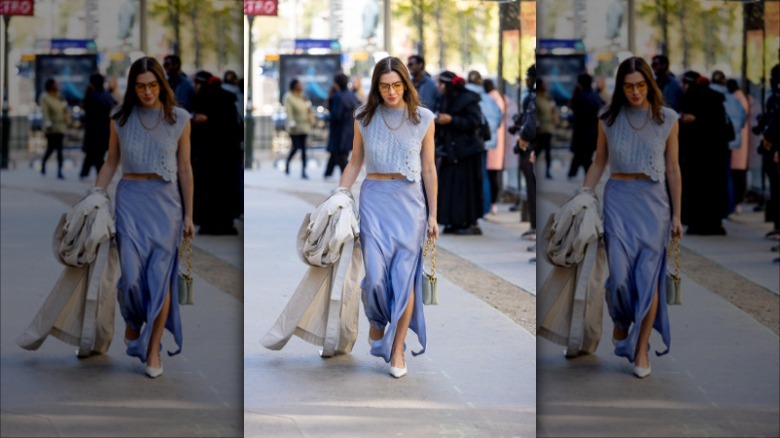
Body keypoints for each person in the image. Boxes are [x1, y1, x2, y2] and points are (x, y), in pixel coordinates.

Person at [338, 56, 438, 378]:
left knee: (405, 278)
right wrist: (340, 195)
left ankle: (397, 351)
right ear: (376, 88)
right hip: (374, 200)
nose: (391, 92)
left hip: (410, 205)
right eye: (384, 86)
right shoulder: (363, 116)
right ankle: (377, 320)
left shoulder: (424, 118)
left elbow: (428, 168)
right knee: (377, 276)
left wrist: (434, 215)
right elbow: (355, 161)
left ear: (406, 85)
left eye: (397, 85)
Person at [94, 56, 194, 378]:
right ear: (132, 88)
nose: (147, 92)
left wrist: (189, 215)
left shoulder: (179, 118)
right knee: (132, 276)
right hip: (130, 201)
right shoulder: (119, 117)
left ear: (162, 85)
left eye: (153, 85)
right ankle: (133, 319)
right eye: (140, 87)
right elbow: (111, 161)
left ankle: (153, 351)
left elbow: (184, 169)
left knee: (160, 278)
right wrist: (95, 196)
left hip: (167, 205)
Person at [582, 56, 681, 378]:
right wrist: (584, 196)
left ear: (650, 85)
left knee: (648, 279)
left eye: (640, 85)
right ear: (620, 87)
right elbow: (599, 161)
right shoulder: (607, 117)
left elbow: (672, 168)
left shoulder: (668, 118)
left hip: (655, 205)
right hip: (618, 200)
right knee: (620, 276)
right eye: (628, 87)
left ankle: (641, 350)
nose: (635, 92)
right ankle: (621, 319)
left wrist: (678, 215)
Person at [679, 71, 731, 235]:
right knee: (714, 189)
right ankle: (714, 223)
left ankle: (697, 223)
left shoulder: (691, 99)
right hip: (716, 155)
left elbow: (691, 125)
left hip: (696, 156)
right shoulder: (715, 99)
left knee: (696, 190)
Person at [190, 71, 242, 235]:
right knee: (226, 188)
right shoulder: (227, 97)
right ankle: (226, 223)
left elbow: (202, 124)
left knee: (208, 190)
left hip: (208, 154)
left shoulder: (204, 98)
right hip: (228, 154)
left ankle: (210, 223)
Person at [435, 71, 486, 235]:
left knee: (466, 190)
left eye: (441, 83)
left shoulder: (468, 99)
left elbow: (474, 121)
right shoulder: (445, 99)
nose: (438, 87)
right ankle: (452, 221)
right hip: (451, 151)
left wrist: (452, 120)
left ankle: (467, 222)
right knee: (450, 189)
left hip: (467, 152)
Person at [465, 70, 503, 215]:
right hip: (486, 142)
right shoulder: (489, 98)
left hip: (471, 142)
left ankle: (474, 208)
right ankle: (485, 207)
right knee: (484, 175)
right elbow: (498, 119)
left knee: (471, 175)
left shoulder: (467, 96)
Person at [80, 73, 116, 179]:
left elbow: (88, 113)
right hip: (104, 131)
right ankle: (88, 174)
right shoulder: (106, 95)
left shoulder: (92, 96)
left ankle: (96, 175)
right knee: (96, 154)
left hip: (94, 132)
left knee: (95, 155)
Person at [516, 65, 537, 241]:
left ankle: (536, 228)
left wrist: (523, 135)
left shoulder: (534, 96)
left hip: (531, 149)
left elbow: (531, 126)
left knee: (534, 189)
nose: (526, 80)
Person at [324, 73, 361, 179]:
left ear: (336, 83)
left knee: (340, 155)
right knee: (338, 153)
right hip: (350, 129)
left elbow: (336, 115)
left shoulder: (338, 97)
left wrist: (325, 118)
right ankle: (328, 173)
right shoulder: (351, 95)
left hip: (340, 132)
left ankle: (348, 177)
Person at [568, 73, 604, 179]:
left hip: (582, 132)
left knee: (583, 156)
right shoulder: (594, 96)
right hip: (593, 131)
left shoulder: (581, 96)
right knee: (585, 155)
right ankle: (576, 173)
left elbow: (579, 115)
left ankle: (585, 175)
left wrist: (570, 118)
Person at [484, 79, 508, 213]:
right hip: (496, 142)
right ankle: (492, 202)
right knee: (493, 175)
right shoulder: (497, 98)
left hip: (492, 142)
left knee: (491, 175)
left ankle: (492, 202)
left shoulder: (491, 99)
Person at [727, 78, 751, 214]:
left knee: (736, 175)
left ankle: (736, 202)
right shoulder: (740, 99)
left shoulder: (736, 100)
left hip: (736, 142)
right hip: (738, 142)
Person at [283, 78, 314, 179]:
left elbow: (308, 108)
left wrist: (311, 119)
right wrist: (292, 124)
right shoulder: (288, 97)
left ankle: (304, 171)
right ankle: (287, 163)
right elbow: (289, 112)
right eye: (299, 84)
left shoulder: (303, 96)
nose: (301, 86)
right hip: (294, 127)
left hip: (304, 126)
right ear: (294, 86)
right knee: (296, 147)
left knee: (304, 150)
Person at [39, 78, 68, 179]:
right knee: (51, 148)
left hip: (60, 127)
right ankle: (43, 163)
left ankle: (59, 171)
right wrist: (48, 124)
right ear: (51, 86)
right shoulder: (44, 97)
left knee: (59, 150)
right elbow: (45, 112)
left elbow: (64, 109)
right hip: (51, 128)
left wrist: (67, 119)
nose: (57, 85)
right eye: (55, 84)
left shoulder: (59, 96)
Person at [536, 78, 556, 180]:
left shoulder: (547, 98)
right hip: (541, 129)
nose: (546, 86)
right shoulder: (537, 99)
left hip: (548, 128)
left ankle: (548, 171)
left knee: (547, 151)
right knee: (539, 149)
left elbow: (552, 110)